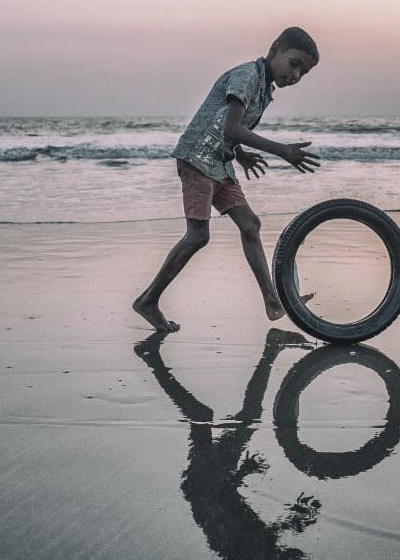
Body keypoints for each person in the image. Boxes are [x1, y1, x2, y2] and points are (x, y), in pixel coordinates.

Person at [133, 27, 321, 332]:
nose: (296, 75)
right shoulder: (247, 76)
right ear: (275, 49)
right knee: (198, 235)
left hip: (220, 162)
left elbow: (231, 127)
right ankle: (148, 300)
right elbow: (232, 127)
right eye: (295, 64)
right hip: (197, 158)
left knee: (250, 225)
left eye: (304, 73)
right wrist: (283, 150)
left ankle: (272, 302)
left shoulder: (264, 89)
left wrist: (241, 154)